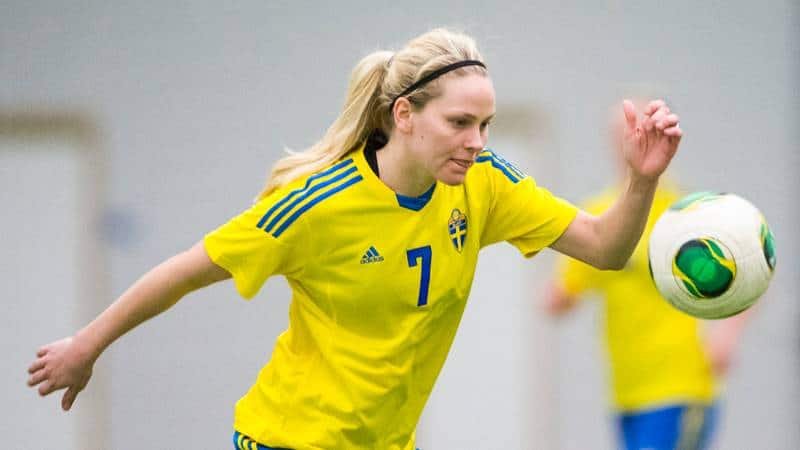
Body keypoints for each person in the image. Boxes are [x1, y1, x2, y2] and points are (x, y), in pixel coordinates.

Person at [27, 28, 682, 450]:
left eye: (485, 124)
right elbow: (185, 271)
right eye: (460, 122)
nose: (477, 141)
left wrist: (641, 179)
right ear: (404, 115)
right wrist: (86, 346)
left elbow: (604, 248)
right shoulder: (318, 204)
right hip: (290, 439)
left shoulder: (485, 184)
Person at [543, 99, 749, 450]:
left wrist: (727, 334)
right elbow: (561, 297)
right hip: (627, 391)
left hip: (681, 385)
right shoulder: (600, 215)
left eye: (643, 132)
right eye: (623, 133)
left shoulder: (686, 214)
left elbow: (751, 267)